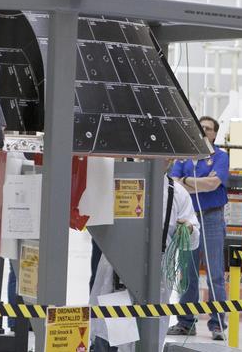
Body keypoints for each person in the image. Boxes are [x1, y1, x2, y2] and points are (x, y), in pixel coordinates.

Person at [90, 175, 199, 351]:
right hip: (118, 279)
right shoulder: (121, 183)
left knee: (147, 340)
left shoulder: (177, 192)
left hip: (157, 282)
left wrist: (189, 229)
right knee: (114, 339)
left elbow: (193, 240)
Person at [166, 116, 230, 340]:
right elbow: (173, 182)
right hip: (188, 221)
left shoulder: (221, 157)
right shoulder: (185, 156)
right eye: (200, 128)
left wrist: (187, 181)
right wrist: (196, 182)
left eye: (207, 129)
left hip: (211, 219)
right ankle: (186, 322)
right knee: (187, 272)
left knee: (215, 274)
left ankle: (218, 324)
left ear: (214, 134)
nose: (203, 131)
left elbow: (214, 183)